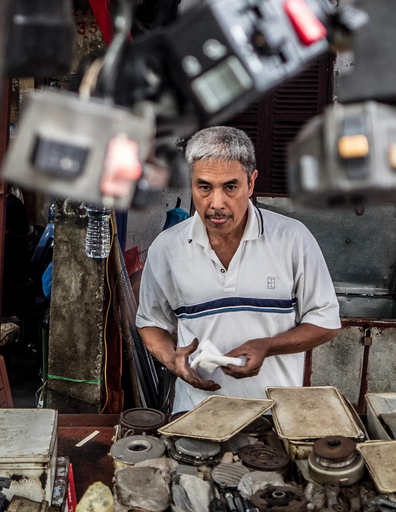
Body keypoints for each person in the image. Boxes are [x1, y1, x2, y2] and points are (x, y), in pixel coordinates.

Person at [135, 126, 341, 412]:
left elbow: (326, 322)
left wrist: (268, 345)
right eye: (204, 187)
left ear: (251, 183)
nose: (216, 204)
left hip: (275, 414)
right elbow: (151, 322)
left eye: (230, 187)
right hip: (195, 413)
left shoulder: (293, 238)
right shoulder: (167, 248)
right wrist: (172, 360)